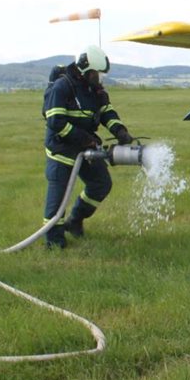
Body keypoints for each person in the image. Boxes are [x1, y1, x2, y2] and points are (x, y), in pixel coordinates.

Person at [42, 46, 132, 249]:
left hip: (85, 149)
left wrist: (120, 130)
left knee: (101, 184)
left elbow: (107, 112)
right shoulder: (62, 87)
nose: (100, 78)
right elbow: (56, 122)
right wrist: (85, 139)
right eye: (97, 74)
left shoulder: (95, 90)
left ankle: (75, 220)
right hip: (62, 150)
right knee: (58, 199)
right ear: (84, 70)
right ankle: (54, 242)